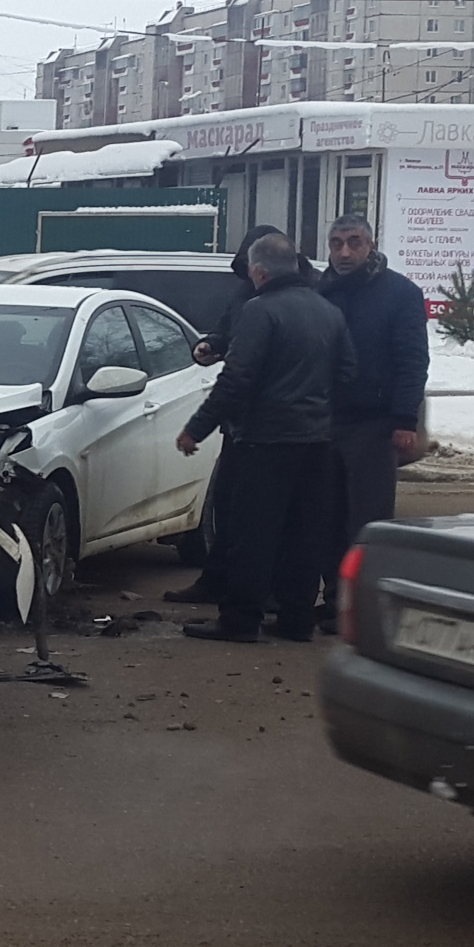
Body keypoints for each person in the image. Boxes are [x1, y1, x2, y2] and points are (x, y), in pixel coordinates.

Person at [176, 232, 354, 643]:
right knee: (303, 534)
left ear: (258, 271)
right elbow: (347, 375)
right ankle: (296, 620)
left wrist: (196, 429)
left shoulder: (260, 311)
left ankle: (240, 619)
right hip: (317, 443)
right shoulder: (328, 311)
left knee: (251, 533)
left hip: (265, 442)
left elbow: (236, 379)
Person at [166, 225, 302, 609]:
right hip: (245, 425)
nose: (250, 275)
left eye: (253, 267)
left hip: (271, 425)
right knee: (227, 507)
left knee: (263, 518)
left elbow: (241, 374)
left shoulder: (286, 303)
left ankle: (258, 601)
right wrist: (211, 344)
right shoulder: (248, 296)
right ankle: (219, 580)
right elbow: (228, 332)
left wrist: (196, 429)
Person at [317, 213, 429, 599]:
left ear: (371, 245)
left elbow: (413, 360)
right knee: (326, 519)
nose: (344, 252)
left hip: (374, 424)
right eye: (336, 244)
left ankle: (362, 602)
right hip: (324, 421)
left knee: (366, 520)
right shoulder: (321, 290)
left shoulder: (399, 293)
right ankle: (333, 598)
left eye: (354, 242)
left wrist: (404, 418)